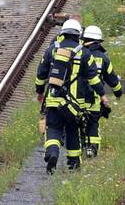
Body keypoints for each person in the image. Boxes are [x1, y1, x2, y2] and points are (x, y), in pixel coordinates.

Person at [35, 18, 109, 173]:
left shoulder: (51, 50)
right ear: (78, 35)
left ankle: (52, 152)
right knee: (72, 130)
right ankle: (74, 164)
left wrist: (40, 92)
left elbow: (41, 74)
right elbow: (93, 79)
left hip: (53, 100)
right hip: (75, 104)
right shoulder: (84, 53)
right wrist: (102, 95)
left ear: (63, 33)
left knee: (54, 129)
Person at [80, 25, 123, 157]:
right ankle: (91, 150)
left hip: (77, 98)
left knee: (77, 124)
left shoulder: (79, 54)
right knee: (93, 124)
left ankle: (78, 148)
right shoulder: (103, 58)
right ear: (98, 42)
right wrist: (118, 92)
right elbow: (112, 79)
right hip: (94, 100)